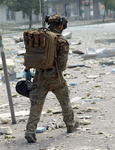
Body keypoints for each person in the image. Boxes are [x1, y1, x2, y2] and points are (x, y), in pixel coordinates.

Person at [24, 14, 79, 143]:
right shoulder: (62, 41)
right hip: (55, 77)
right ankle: (70, 125)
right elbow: (62, 65)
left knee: (36, 104)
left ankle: (30, 131)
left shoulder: (40, 37)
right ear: (61, 26)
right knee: (64, 100)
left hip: (39, 77)